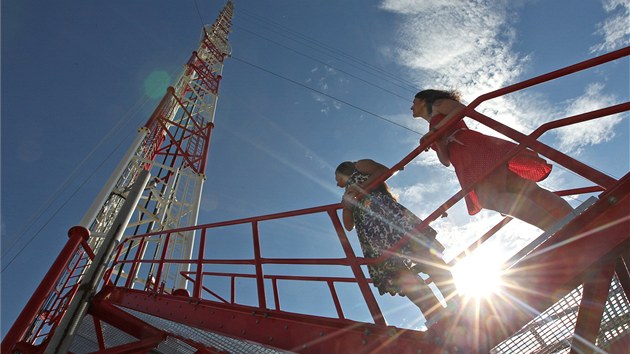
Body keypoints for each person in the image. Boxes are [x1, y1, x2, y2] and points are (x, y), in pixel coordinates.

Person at [411, 89, 574, 231]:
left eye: (413, 102)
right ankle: (569, 220)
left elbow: (460, 109)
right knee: (523, 189)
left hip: (473, 149)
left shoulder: (438, 104)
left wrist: (435, 131)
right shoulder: (431, 129)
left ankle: (557, 225)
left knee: (492, 198)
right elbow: (446, 160)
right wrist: (437, 141)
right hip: (462, 160)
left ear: (423, 100)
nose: (411, 107)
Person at [335, 159, 454, 322]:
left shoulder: (358, 166)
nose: (336, 184)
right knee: (399, 274)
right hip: (373, 235)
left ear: (342, 170)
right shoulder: (345, 196)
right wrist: (347, 206)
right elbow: (348, 226)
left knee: (426, 255)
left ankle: (454, 301)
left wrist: (360, 189)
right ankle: (435, 314)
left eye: (337, 179)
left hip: (391, 219)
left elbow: (383, 170)